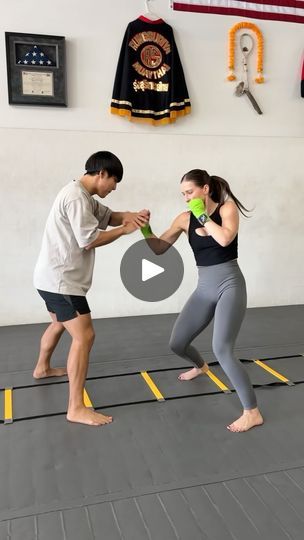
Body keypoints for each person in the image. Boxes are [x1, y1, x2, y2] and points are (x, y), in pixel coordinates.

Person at [141, 169, 263, 432]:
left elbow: (224, 238)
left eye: (190, 192)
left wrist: (203, 215)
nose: (186, 198)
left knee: (222, 348)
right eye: (183, 194)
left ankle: (252, 412)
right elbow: (159, 249)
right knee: (177, 343)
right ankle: (201, 367)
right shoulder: (185, 219)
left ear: (205, 189)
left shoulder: (226, 209)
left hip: (230, 285)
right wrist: (145, 229)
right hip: (204, 288)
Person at [33, 151, 149, 426]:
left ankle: (42, 368)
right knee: (85, 336)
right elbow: (88, 240)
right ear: (101, 174)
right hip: (63, 283)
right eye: (114, 181)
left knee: (60, 324)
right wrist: (124, 231)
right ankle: (75, 408)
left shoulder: (84, 197)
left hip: (50, 279)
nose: (114, 187)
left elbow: (110, 217)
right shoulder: (75, 197)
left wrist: (134, 216)